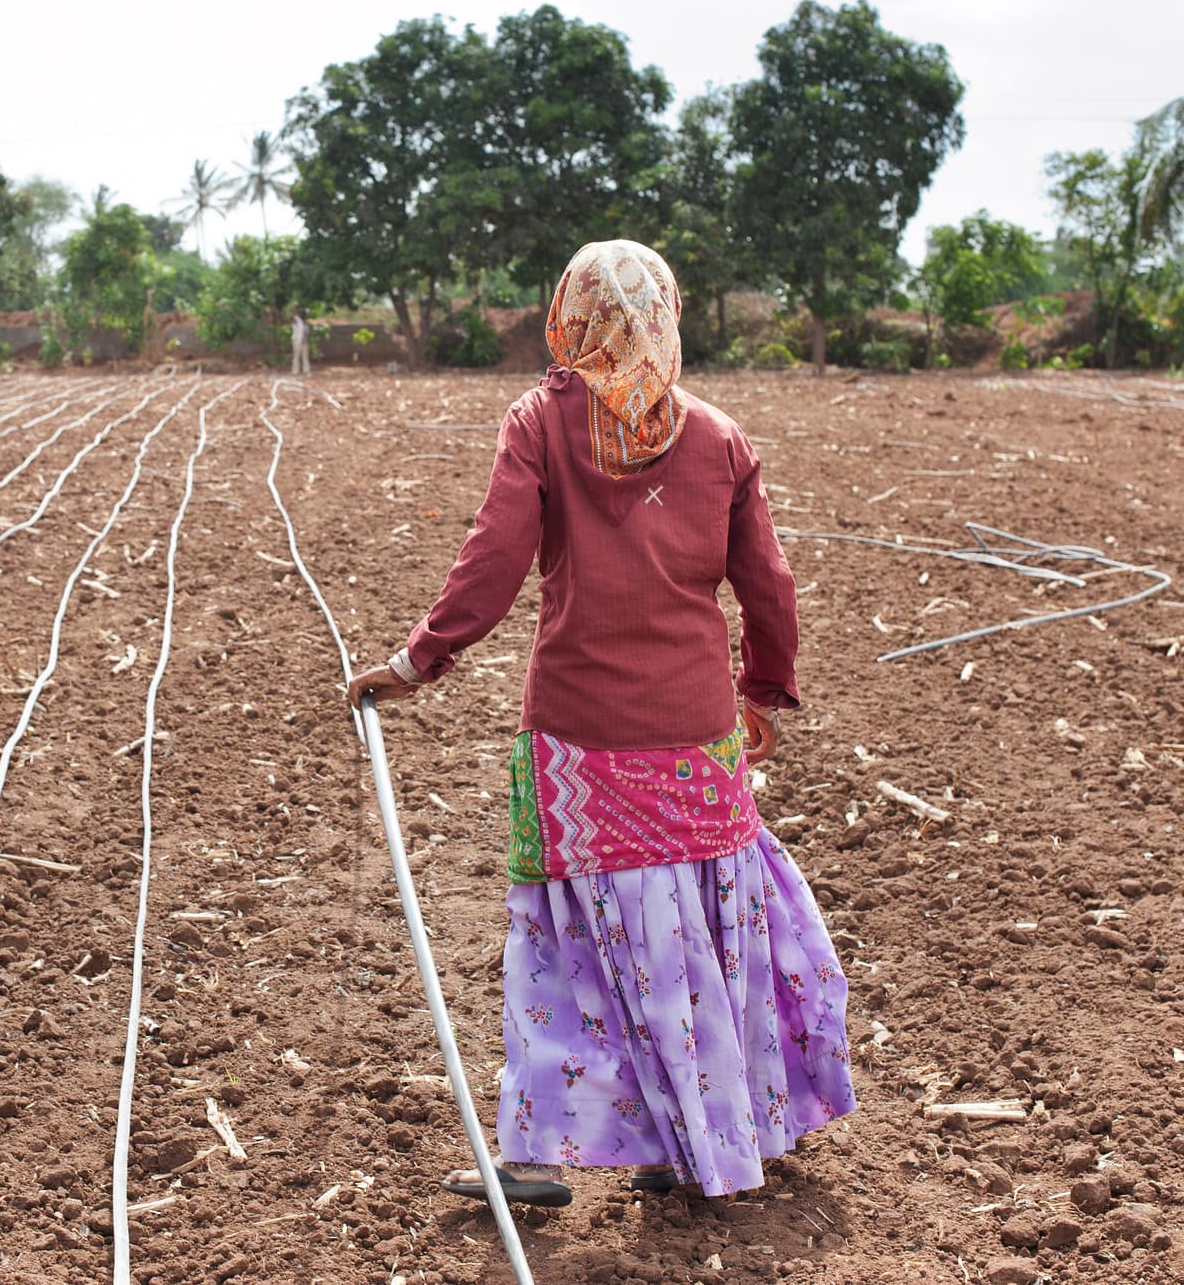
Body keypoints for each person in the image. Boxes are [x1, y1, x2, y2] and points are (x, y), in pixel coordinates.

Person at [347, 241, 854, 1207]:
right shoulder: (719, 439)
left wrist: (419, 661)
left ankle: (538, 1157)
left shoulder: (542, 423)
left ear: (571, 320)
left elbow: (494, 559)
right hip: (698, 736)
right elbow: (769, 588)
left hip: (576, 743)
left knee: (563, 944)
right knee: (696, 933)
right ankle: (691, 1140)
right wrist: (763, 692)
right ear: (666, 315)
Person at [290, 308, 312, 376]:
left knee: (305, 357)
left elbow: (307, 332)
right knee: (296, 356)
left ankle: (306, 371)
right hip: (297, 340)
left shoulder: (305, 322)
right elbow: (291, 315)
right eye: (301, 313)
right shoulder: (296, 320)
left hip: (304, 342)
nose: (302, 314)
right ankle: (295, 371)